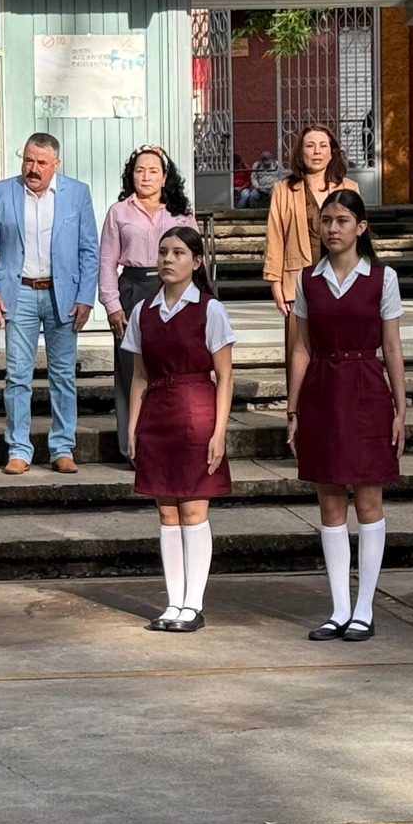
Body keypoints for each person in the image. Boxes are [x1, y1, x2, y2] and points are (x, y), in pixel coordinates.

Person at [287, 189, 408, 642]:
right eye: (326, 220)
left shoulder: (382, 277)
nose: (333, 228)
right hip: (321, 389)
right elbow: (301, 347)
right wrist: (293, 408)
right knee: (330, 501)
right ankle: (339, 607)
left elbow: (392, 346)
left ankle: (364, 607)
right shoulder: (307, 279)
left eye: (341, 221)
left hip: (366, 387)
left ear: (361, 227)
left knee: (368, 500)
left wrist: (401, 407)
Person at [124, 226, 235, 633]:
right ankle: (173, 602)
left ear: (197, 261)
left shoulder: (209, 310)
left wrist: (218, 432)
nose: (168, 260)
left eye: (178, 253)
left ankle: (194, 603)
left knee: (193, 508)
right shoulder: (143, 311)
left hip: (196, 411)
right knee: (166, 511)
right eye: (163, 252)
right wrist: (133, 427)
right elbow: (139, 375)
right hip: (158, 413)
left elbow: (225, 376)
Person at [0, 133, 100, 475]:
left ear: (55, 164)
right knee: (17, 376)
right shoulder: (2, 192)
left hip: (63, 296)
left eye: (41, 163)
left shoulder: (77, 193)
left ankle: (62, 447)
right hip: (19, 293)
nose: (33, 168)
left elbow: (89, 249)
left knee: (63, 375)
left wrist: (85, 297)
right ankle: (18, 448)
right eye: (28, 160)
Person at [102, 146, 195, 463]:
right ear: (131, 175)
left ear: (165, 177)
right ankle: (133, 447)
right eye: (140, 170)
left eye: (153, 171)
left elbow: (195, 256)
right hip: (133, 289)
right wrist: (112, 304)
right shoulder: (119, 212)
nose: (146, 177)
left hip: (174, 291)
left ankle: (172, 442)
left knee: (173, 369)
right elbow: (106, 261)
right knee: (132, 370)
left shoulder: (180, 212)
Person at [264, 125, 361, 354]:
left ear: (332, 152)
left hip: (342, 278)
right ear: (301, 152)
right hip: (298, 280)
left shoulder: (349, 188)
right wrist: (276, 284)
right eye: (310, 146)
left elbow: (359, 236)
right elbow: (275, 237)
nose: (317, 151)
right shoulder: (283, 189)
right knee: (300, 354)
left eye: (323, 145)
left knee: (339, 350)